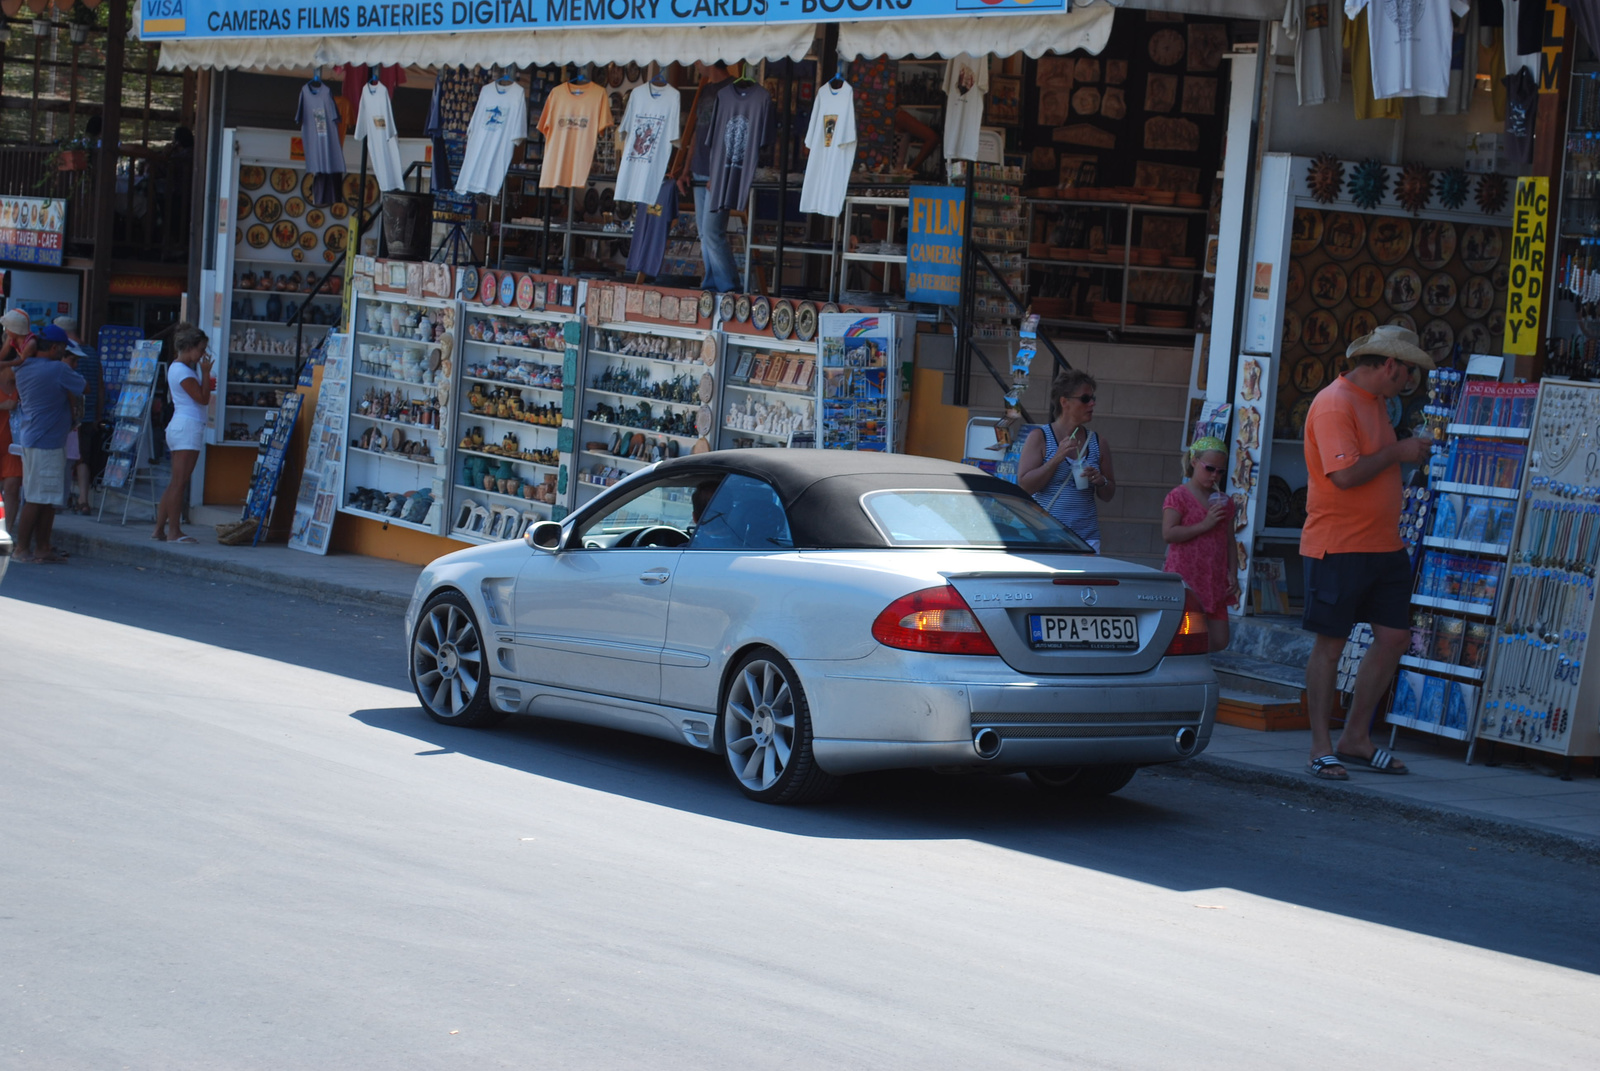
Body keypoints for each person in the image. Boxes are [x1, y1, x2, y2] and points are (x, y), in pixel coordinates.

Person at [1301, 326, 1436, 781]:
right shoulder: (1334, 403)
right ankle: (1321, 746)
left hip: (1383, 544)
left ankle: (1355, 736)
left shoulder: (1375, 402)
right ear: (1390, 365)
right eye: (1406, 373)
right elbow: (1344, 476)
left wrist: (1399, 452)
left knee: (1395, 637)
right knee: (1330, 645)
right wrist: (1399, 451)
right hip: (1339, 545)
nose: (1407, 382)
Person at [1016, 370, 1116, 552]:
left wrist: (1100, 481)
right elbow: (1025, 486)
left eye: (1093, 398)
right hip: (1046, 535)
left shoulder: (1097, 442)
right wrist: (1056, 459)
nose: (1092, 403)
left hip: (1086, 538)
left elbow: (1109, 494)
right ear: (1064, 402)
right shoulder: (1041, 437)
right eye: (1085, 399)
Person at [10, 324, 84, 564]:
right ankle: (23, 548)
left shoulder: (24, 366)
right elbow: (84, 387)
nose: (64, 355)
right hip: (47, 442)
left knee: (46, 497)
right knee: (38, 498)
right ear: (54, 348)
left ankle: (42, 546)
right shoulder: (57, 370)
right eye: (63, 350)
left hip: (34, 437)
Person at [1161, 437, 1239, 651]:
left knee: (1219, 639)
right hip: (1188, 578)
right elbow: (1169, 533)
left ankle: (1195, 667)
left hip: (1214, 579)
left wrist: (1232, 572)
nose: (1214, 475)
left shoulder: (1224, 501)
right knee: (1187, 636)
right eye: (1210, 468)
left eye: (1220, 471)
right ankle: (1188, 674)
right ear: (1194, 462)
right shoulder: (1179, 496)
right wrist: (1205, 524)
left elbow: (1229, 541)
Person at [673, 61, 738, 293]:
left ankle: (729, 288)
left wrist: (720, 172)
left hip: (719, 172)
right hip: (700, 168)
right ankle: (712, 285)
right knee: (703, 232)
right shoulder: (706, 90)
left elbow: (734, 136)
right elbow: (698, 133)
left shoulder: (733, 89)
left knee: (712, 232)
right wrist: (685, 169)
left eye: (699, 58)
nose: (695, 63)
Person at [152, 323, 212, 544]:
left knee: (175, 482)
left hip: (181, 425)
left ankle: (160, 529)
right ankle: (174, 531)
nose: (203, 354)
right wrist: (205, 375)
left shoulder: (179, 369)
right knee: (179, 483)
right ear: (190, 347)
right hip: (188, 427)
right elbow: (203, 398)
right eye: (201, 349)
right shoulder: (182, 370)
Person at [56, 317, 103, 513]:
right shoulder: (92, 352)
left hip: (70, 414)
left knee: (65, 457)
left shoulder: (64, 354)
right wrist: (99, 413)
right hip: (90, 413)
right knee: (83, 458)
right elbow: (100, 385)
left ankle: (62, 498)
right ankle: (83, 499)